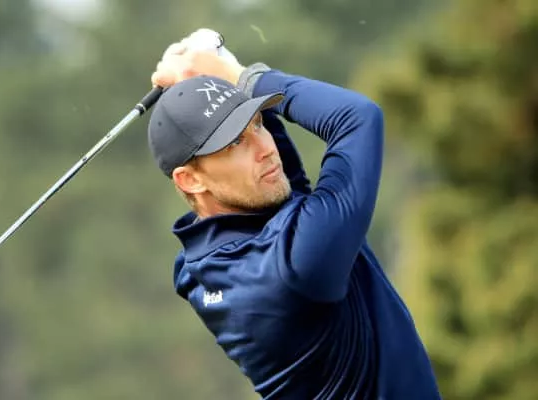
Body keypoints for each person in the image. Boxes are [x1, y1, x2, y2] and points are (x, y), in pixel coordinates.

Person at [147, 32, 442, 399]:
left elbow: (285, 185)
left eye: (257, 123)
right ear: (190, 179)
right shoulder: (295, 265)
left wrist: (214, 77)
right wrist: (239, 74)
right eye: (235, 143)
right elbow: (357, 118)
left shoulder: (200, 263)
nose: (265, 149)